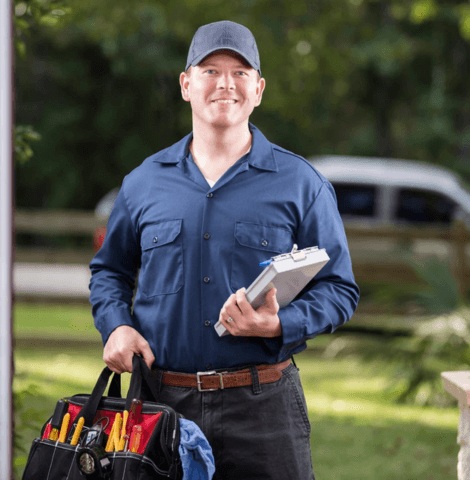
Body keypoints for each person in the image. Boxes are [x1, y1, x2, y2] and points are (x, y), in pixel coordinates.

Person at [89, 20, 359, 480]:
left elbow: (339, 289)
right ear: (186, 84)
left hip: (265, 410)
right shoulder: (143, 183)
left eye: (239, 72)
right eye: (211, 70)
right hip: (161, 406)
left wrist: (279, 323)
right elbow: (109, 272)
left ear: (258, 89)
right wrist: (115, 326)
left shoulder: (301, 184)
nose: (225, 84)